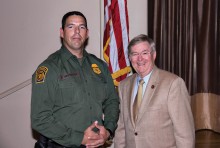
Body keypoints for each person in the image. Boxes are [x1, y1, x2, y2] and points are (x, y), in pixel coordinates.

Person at [31, 11, 119, 148]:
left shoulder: (100, 66)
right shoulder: (49, 68)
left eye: (82, 27)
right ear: (62, 32)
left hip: (97, 144)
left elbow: (112, 101)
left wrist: (108, 130)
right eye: (71, 27)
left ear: (87, 33)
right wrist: (80, 139)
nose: (77, 31)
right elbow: (40, 119)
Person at [114, 34, 195, 148]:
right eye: (135, 54)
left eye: (145, 53)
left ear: (154, 55)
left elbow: (185, 133)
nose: (140, 58)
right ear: (130, 58)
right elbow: (121, 129)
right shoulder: (124, 86)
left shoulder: (173, 84)